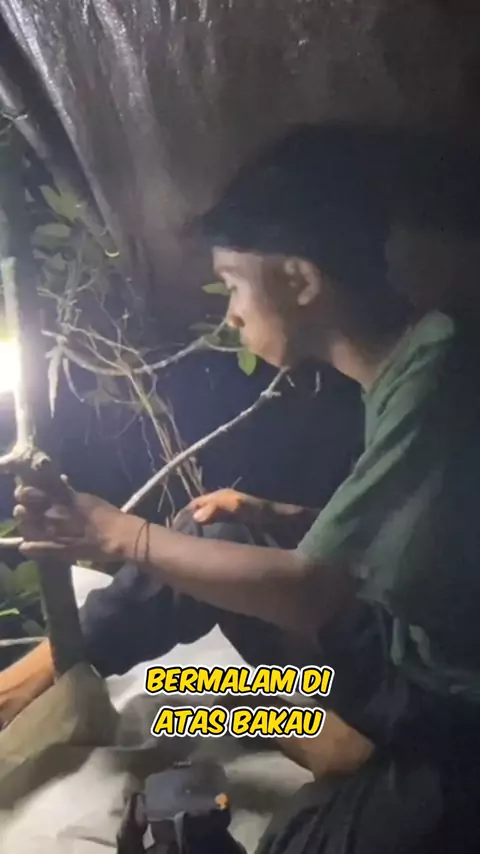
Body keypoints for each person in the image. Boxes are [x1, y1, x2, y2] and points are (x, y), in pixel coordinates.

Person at [6, 125, 480, 851]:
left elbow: (312, 592)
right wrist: (287, 518)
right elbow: (423, 535)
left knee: (294, 839)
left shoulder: (439, 377)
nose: (229, 312)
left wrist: (115, 533)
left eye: (232, 283)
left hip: (450, 715)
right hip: (395, 649)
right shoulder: (412, 365)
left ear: (299, 280)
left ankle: (340, 745)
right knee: (215, 528)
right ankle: (28, 683)